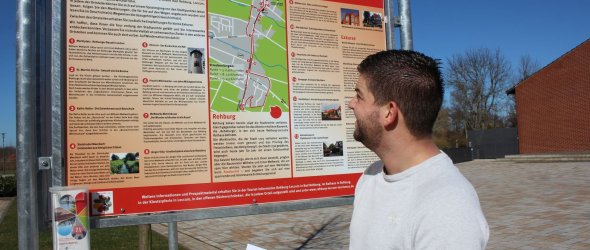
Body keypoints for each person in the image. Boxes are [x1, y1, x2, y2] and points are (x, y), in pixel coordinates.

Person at [348, 50, 489, 249]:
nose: (351, 104)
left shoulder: (448, 207)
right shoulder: (370, 178)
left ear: (389, 112)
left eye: (359, 96)